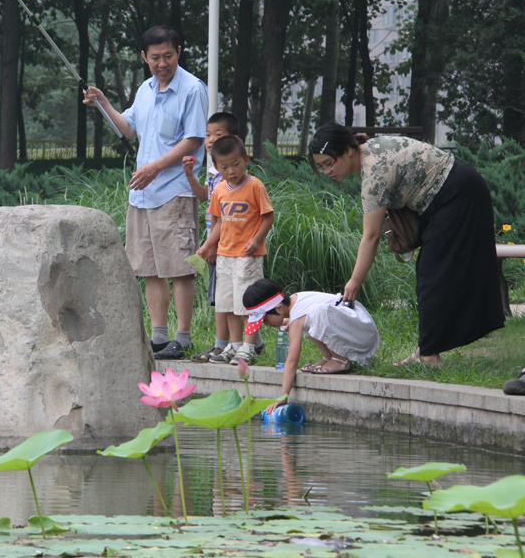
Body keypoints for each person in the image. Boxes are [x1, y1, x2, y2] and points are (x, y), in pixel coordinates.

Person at [308, 123, 505, 366]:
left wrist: (354, 282)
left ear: (348, 151)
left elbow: (371, 236)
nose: (327, 171)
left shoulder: (374, 174)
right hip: (460, 188)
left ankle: (429, 356)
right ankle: (427, 350)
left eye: (329, 162)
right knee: (433, 273)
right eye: (321, 166)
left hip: (459, 195)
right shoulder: (371, 150)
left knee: (432, 274)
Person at [82, 26, 208, 360]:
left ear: (178, 52)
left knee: (179, 267)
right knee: (149, 268)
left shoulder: (192, 89)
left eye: (168, 55)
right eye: (155, 58)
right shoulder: (145, 89)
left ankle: (182, 337)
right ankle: (159, 337)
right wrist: (103, 102)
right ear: (144, 58)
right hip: (143, 195)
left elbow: (193, 139)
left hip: (174, 192)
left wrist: (154, 167)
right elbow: (127, 127)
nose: (162, 63)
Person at [181, 114, 267, 360]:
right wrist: (209, 244)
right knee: (224, 300)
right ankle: (237, 344)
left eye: (218, 134)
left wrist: (253, 239)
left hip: (240, 250)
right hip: (222, 249)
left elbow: (265, 216)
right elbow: (211, 208)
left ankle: (243, 345)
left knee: (244, 300)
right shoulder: (216, 177)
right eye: (208, 135)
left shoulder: (251, 184)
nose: (211, 140)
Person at [243, 278, 380, 413]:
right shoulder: (295, 302)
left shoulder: (298, 315)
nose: (266, 324)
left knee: (315, 313)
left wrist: (283, 396)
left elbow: (291, 361)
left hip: (363, 333)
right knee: (307, 318)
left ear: (278, 307)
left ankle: (340, 360)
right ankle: (329, 356)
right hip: (356, 330)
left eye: (265, 319)